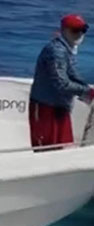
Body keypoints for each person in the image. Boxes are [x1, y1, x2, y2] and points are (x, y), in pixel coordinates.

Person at [29, 14, 94, 148]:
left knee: (62, 150)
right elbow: (61, 83)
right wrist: (86, 92)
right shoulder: (56, 51)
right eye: (75, 30)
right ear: (64, 30)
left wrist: (87, 91)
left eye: (83, 30)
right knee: (46, 150)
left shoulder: (67, 50)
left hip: (59, 107)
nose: (80, 34)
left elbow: (73, 74)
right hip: (46, 108)